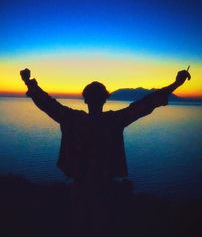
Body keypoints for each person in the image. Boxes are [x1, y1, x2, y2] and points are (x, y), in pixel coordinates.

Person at [20, 68, 191, 187]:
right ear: (105, 99)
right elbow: (145, 104)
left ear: (85, 100)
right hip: (106, 188)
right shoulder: (113, 121)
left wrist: (29, 83)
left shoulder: (73, 119)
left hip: (80, 188)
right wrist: (176, 84)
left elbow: (48, 104)